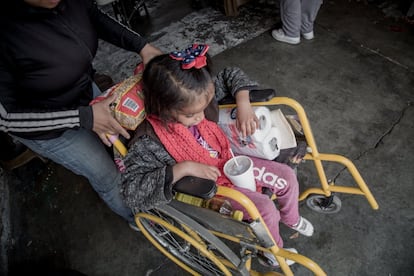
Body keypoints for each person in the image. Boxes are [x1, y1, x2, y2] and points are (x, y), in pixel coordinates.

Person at [121, 44, 314, 267]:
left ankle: (291, 219)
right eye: (192, 115)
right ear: (164, 108)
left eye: (204, 108)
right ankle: (274, 252)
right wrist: (183, 168)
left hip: (227, 161)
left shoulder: (197, 95)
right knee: (265, 209)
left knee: (287, 176)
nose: (202, 117)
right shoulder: (149, 141)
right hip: (208, 189)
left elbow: (231, 73)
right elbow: (131, 191)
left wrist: (243, 101)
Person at [0, 0, 162, 227]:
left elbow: (93, 15)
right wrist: (85, 118)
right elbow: (6, 117)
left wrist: (142, 46)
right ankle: (143, 222)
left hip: (86, 92)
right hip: (51, 126)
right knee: (107, 175)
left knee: (122, 149)